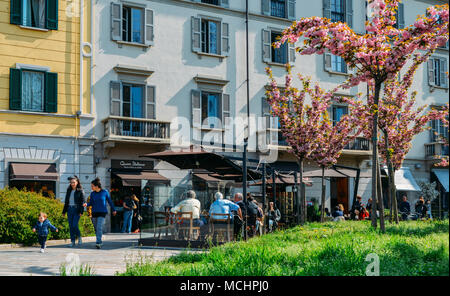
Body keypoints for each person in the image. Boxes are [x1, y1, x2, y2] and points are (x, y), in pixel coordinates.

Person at [85, 178, 116, 249]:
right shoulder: (92, 194)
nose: (91, 187)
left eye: (92, 186)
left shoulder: (105, 192)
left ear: (96, 186)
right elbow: (91, 203)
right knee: (96, 228)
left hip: (102, 212)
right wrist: (87, 204)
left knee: (99, 227)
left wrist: (113, 209)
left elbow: (110, 201)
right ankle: (99, 240)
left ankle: (98, 242)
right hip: (94, 212)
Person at [62, 176, 86, 247]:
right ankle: (72, 241)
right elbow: (66, 202)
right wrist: (64, 211)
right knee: (70, 226)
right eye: (71, 182)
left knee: (74, 225)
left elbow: (83, 202)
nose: (72, 184)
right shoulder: (69, 190)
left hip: (77, 210)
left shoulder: (80, 190)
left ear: (77, 182)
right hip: (69, 209)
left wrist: (81, 212)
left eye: (74, 182)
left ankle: (79, 237)